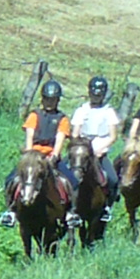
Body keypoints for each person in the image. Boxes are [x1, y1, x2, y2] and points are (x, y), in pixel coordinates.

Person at [20, 78, 75, 208]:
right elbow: (29, 135)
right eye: (47, 99)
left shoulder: (62, 119)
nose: (49, 102)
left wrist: (54, 155)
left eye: (53, 99)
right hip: (33, 156)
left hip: (50, 157)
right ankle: (11, 210)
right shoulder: (34, 115)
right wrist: (29, 155)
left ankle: (70, 212)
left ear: (58, 100)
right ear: (42, 99)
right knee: (12, 179)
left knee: (73, 181)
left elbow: (60, 138)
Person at [71, 75, 123, 198]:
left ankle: (107, 207)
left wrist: (100, 150)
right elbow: (75, 133)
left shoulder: (108, 111)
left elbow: (113, 136)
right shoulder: (81, 110)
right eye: (94, 95)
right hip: (83, 148)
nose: (96, 97)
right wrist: (81, 146)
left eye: (99, 95)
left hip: (100, 150)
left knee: (112, 179)